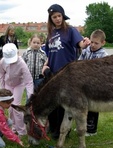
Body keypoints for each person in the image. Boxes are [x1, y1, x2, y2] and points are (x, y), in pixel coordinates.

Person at [43, 4, 90, 140]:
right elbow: (49, 53)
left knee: (64, 104)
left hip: (67, 73)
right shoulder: (51, 33)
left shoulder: (70, 30)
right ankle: (53, 129)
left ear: (63, 16)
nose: (57, 19)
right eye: (54, 17)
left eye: (59, 16)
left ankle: (64, 130)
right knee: (53, 102)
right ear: (50, 19)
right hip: (53, 74)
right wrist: (45, 66)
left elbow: (80, 44)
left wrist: (85, 42)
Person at [0, 43, 34, 137]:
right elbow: (1, 74)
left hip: (19, 84)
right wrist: (2, 89)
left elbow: (29, 81)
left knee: (16, 107)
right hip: (8, 85)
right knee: (9, 108)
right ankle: (14, 127)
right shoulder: (3, 61)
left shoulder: (22, 64)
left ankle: (22, 131)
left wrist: (30, 97)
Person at [78, 29, 108, 136]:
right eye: (92, 42)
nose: (93, 45)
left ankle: (92, 129)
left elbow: (104, 72)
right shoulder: (86, 51)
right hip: (84, 84)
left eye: (96, 43)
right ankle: (83, 126)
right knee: (84, 106)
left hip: (95, 85)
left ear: (103, 43)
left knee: (94, 107)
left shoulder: (104, 55)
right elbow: (79, 62)